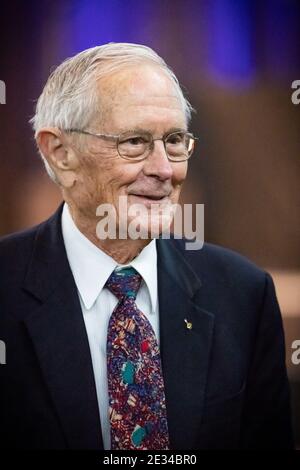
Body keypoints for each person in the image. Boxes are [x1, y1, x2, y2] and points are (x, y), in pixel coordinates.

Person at [0, 43, 294, 450]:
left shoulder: (244, 294)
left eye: (174, 140)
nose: (164, 170)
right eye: (135, 142)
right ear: (61, 152)